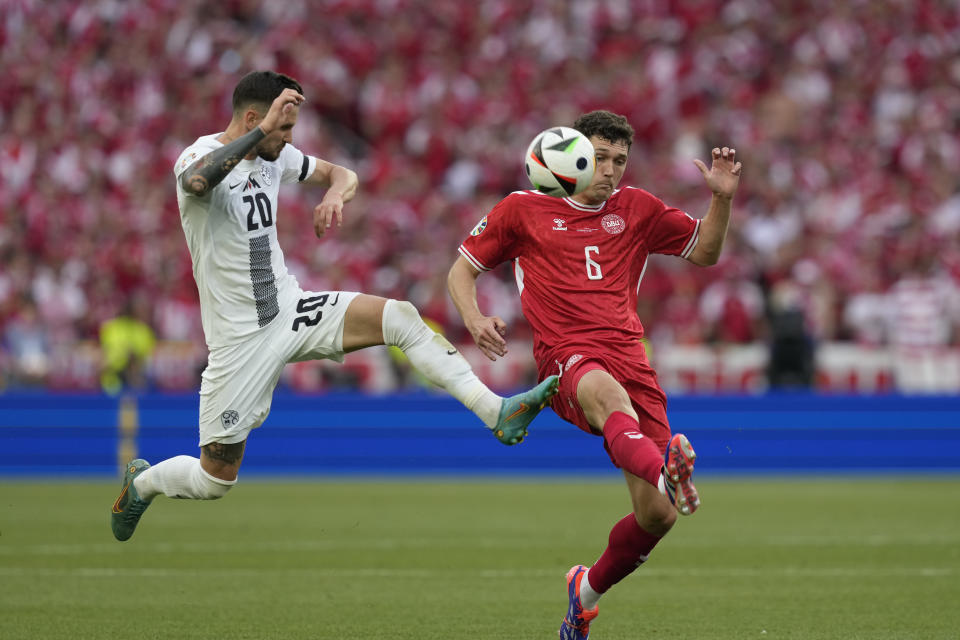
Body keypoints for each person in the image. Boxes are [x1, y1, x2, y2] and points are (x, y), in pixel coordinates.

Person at [110, 70, 558, 542]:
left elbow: (344, 172)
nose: (288, 140)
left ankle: (496, 412)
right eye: (282, 129)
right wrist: (265, 133)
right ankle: (141, 483)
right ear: (251, 119)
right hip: (238, 340)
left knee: (399, 317)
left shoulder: (273, 158)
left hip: (289, 309)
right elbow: (198, 182)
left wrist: (334, 192)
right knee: (215, 479)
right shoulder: (200, 155)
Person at [447, 110, 741, 639]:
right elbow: (462, 267)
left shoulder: (638, 208)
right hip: (566, 355)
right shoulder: (524, 209)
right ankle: (666, 472)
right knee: (608, 399)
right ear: (573, 153)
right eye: (600, 157)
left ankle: (585, 594)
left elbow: (705, 252)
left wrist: (720, 199)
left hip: (631, 356)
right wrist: (473, 317)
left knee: (657, 518)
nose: (609, 170)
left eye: (619, 161)